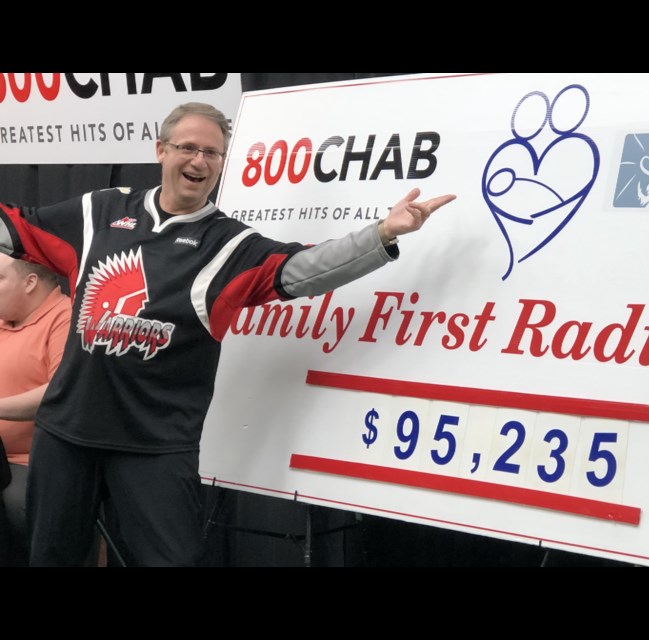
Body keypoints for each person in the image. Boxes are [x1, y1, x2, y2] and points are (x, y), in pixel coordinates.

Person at [0, 102, 456, 566]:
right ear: (160, 150)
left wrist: (381, 234)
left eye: (213, 153)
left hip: (155, 444)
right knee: (52, 557)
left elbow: (305, 268)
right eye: (188, 148)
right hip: (67, 433)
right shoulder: (100, 210)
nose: (200, 161)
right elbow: (15, 226)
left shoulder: (232, 246)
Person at [0, 256, 71, 566]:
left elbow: (58, 393)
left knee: (19, 511)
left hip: (31, 462)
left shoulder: (66, 318)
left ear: (29, 283)